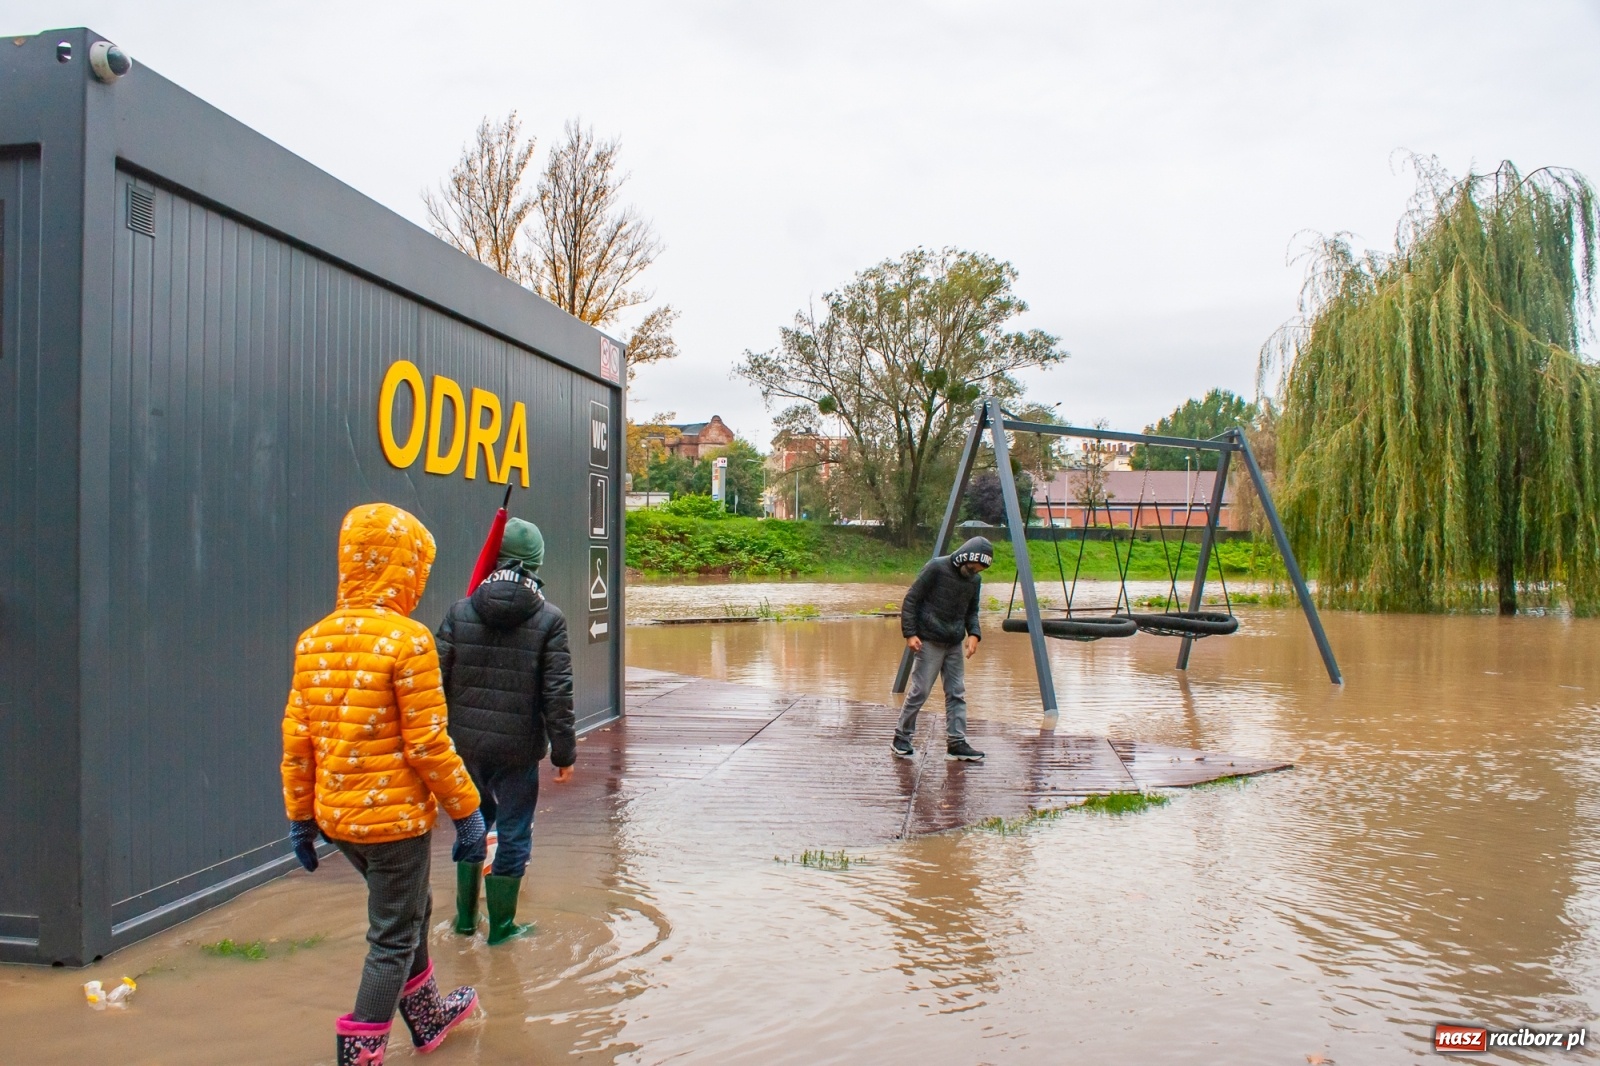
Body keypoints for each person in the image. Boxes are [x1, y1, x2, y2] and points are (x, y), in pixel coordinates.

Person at [281, 503, 487, 1065]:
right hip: (394, 823)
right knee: (392, 936)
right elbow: (428, 744)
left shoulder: (313, 640)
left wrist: (300, 817)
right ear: (407, 569)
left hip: (338, 819)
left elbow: (297, 742)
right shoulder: (409, 641)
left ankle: (427, 1021)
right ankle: (361, 1055)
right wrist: (467, 813)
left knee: (410, 911)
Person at [436, 518, 575, 946]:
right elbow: (558, 693)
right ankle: (501, 928)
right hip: (518, 752)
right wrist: (564, 753)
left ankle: (463, 921)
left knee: (472, 824)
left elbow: (434, 681)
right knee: (514, 831)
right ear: (536, 563)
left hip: (465, 746)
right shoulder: (549, 619)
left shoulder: (460, 611)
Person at [892, 536, 993, 762]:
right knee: (920, 691)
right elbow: (911, 600)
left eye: (979, 570)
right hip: (928, 640)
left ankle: (956, 743)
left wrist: (974, 634)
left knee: (957, 693)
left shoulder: (974, 581)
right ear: (964, 558)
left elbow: (972, 610)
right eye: (973, 567)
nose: (974, 572)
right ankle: (901, 738)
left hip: (954, 642)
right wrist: (910, 633)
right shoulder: (936, 567)